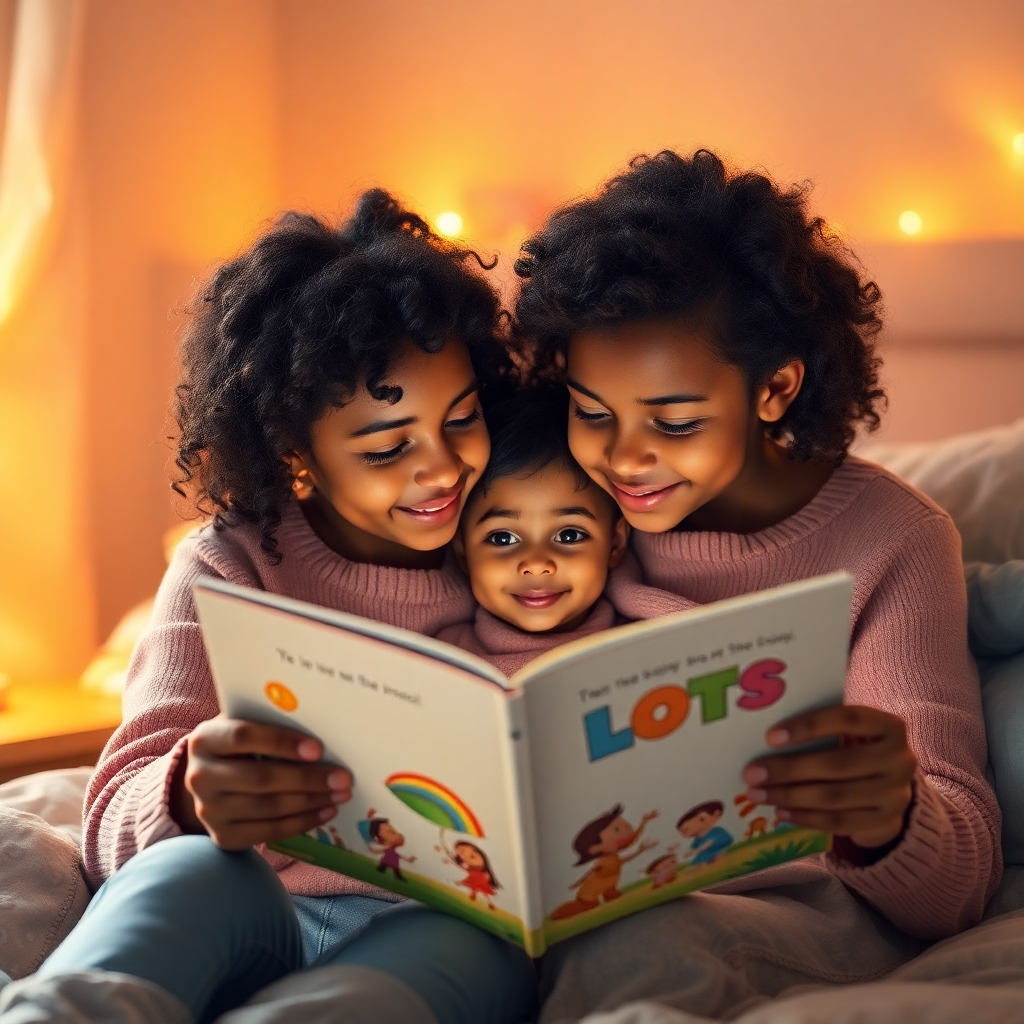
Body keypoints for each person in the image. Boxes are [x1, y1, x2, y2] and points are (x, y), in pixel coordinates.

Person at [1, 192, 537, 1024]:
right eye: (387, 447)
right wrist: (186, 793)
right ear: (296, 449)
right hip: (245, 894)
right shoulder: (230, 563)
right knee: (178, 881)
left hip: (439, 921)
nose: (440, 468)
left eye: (461, 421)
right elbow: (110, 822)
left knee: (437, 963)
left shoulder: (525, 550)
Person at [513, 150, 1001, 1022]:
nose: (624, 458)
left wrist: (890, 811)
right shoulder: (562, 512)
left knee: (633, 948)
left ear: (774, 388)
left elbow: (959, 879)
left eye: (675, 421)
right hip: (573, 893)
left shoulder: (893, 540)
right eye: (593, 412)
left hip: (794, 907)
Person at [436, 385, 629, 674]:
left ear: (614, 543)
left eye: (569, 535)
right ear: (463, 551)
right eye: (502, 538)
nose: (537, 565)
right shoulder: (437, 662)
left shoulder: (644, 649)